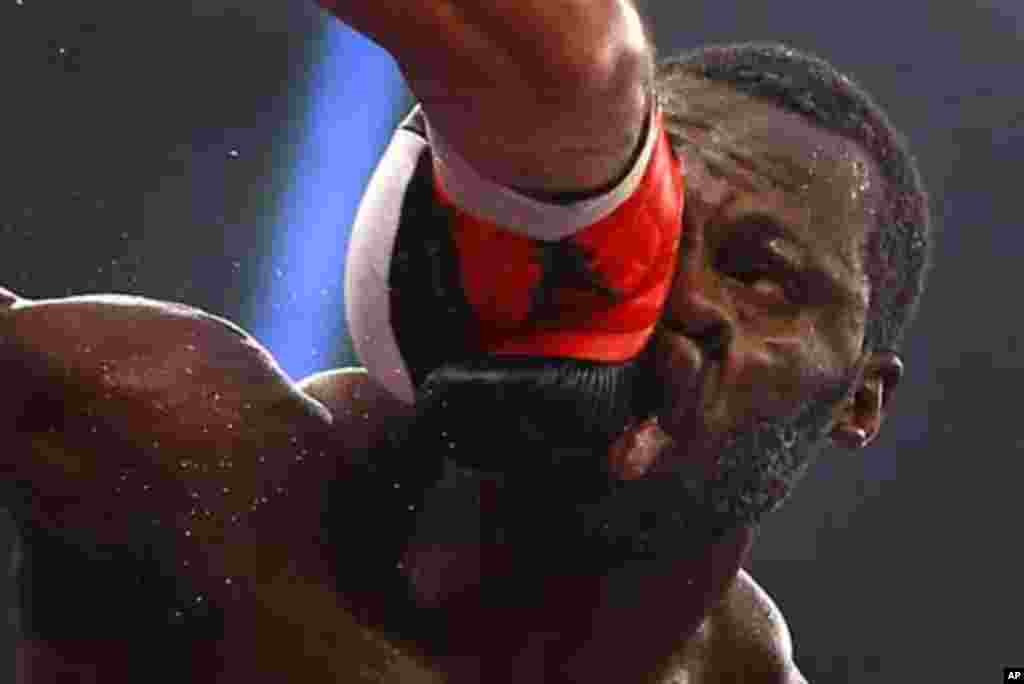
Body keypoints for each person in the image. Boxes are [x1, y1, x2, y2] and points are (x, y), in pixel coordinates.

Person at [0, 0, 931, 682]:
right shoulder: (183, 463)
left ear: (860, 398)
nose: (678, 293)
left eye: (760, 274)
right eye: (655, 235)